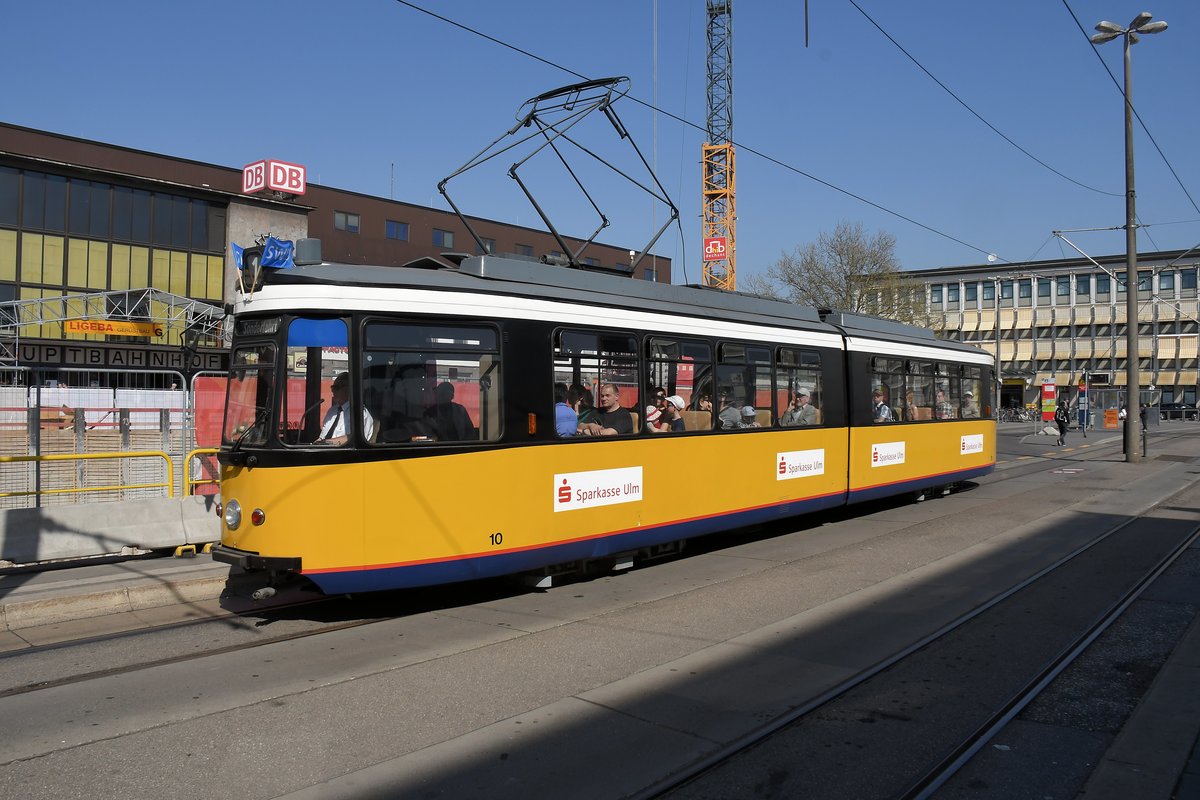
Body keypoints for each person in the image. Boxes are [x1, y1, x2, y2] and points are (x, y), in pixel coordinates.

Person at [320, 372, 376, 445]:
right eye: (332, 387)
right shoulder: (332, 411)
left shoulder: (360, 412)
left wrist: (325, 443)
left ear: (349, 389)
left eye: (336, 388)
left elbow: (355, 439)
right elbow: (322, 436)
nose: (333, 391)